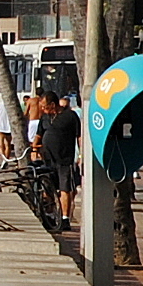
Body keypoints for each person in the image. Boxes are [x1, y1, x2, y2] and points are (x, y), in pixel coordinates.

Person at [35, 90, 84, 229]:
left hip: (64, 159)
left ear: (52, 104)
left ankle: (65, 219)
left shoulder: (70, 116)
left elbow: (79, 137)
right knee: (47, 187)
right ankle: (50, 215)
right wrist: (34, 149)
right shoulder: (44, 118)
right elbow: (39, 135)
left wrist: (81, 155)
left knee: (65, 189)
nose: (43, 109)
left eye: (45, 106)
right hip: (47, 160)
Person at [0, 86, 21, 166]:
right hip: (9, 128)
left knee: (0, 145)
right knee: (8, 145)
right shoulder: (12, 106)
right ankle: (6, 160)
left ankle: (4, 159)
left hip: (0, 128)